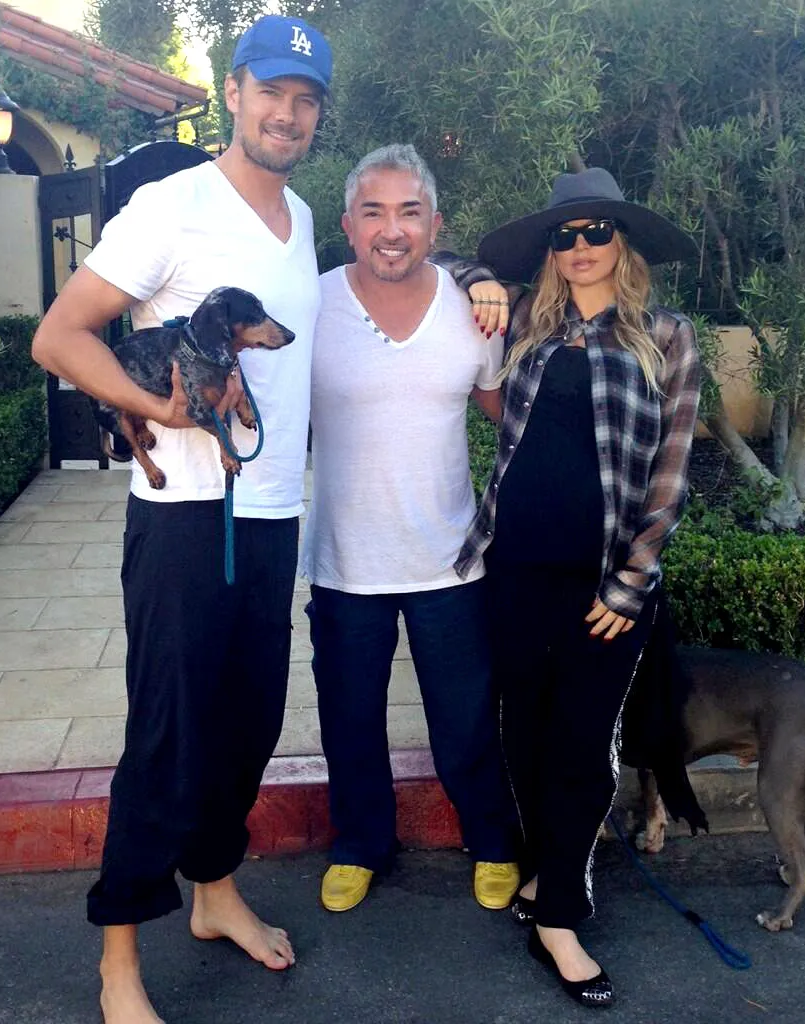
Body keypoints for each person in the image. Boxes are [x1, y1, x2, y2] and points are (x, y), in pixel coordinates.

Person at [29, 14, 332, 1024]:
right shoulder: (172, 205)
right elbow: (60, 336)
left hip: (271, 511)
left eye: (305, 100)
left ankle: (214, 893)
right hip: (183, 524)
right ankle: (118, 960)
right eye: (270, 92)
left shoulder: (302, 219)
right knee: (167, 736)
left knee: (246, 727)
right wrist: (156, 409)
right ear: (233, 93)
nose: (286, 114)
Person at [436, 166, 701, 1007]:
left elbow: (672, 469)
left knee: (583, 743)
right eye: (565, 234)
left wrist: (632, 580)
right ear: (549, 250)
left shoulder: (667, 334)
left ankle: (559, 915)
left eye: (597, 230)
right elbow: (425, 256)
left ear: (622, 242)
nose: (581, 245)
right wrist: (476, 277)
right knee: (522, 731)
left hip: (604, 583)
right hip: (516, 565)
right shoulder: (524, 323)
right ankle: (544, 869)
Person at [301, 144, 522, 915]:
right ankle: (360, 845)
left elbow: (509, 415)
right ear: (347, 225)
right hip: (344, 562)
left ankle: (492, 839)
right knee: (350, 721)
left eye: (408, 212)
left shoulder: (474, 312)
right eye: (374, 212)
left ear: (434, 224)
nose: (391, 230)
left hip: (450, 561)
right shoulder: (311, 303)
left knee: (466, 720)